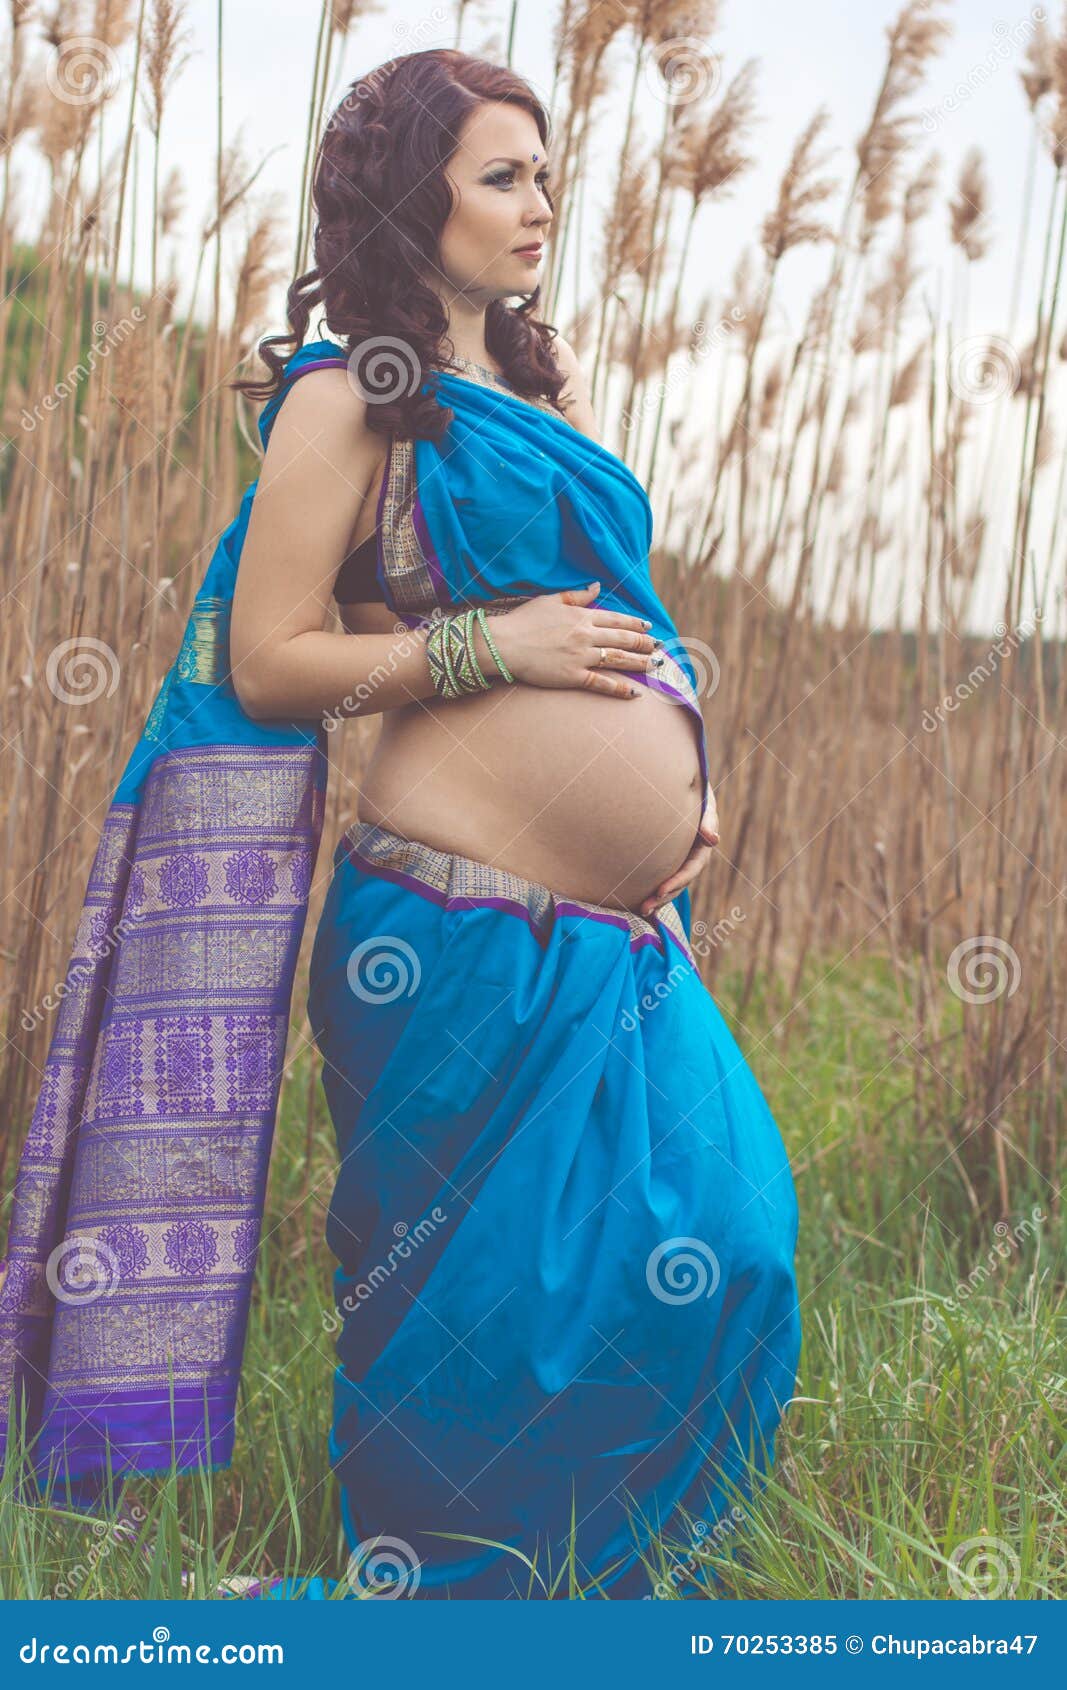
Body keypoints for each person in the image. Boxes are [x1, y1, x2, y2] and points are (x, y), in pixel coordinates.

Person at [0, 48, 800, 1601]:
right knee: (480, 1308)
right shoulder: (346, 397)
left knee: (735, 1231)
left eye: (545, 175)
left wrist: (694, 790)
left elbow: (627, 618)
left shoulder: (532, 395)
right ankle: (431, 1597)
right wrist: (483, 651)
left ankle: (583, 1586)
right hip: (447, 931)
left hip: (618, 933)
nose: (538, 206)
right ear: (404, 194)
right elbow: (270, 657)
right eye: (500, 176)